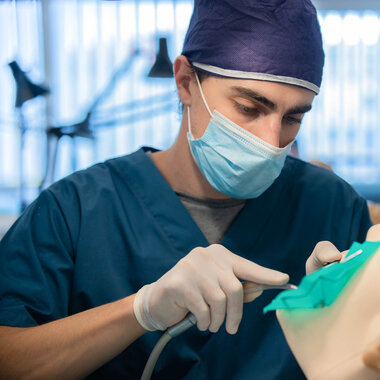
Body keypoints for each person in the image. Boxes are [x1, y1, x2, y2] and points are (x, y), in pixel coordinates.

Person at [0, 1, 372, 379]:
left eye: (293, 117)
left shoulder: (331, 206)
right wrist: (140, 310)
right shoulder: (74, 211)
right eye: (248, 107)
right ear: (184, 82)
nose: (273, 140)